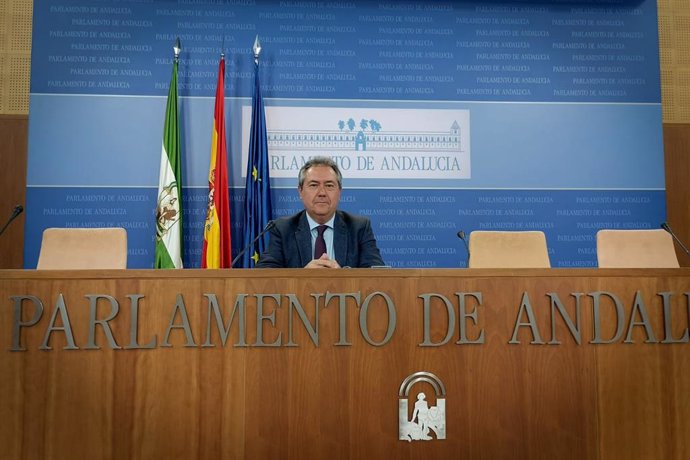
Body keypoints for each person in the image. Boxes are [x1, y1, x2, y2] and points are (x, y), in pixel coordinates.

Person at [256, 156, 385, 268]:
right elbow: (265, 274)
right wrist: (301, 277)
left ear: (339, 192)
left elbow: (377, 274)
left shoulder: (359, 228)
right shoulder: (282, 229)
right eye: (313, 185)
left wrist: (343, 276)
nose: (322, 193)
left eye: (329, 185)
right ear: (300, 191)